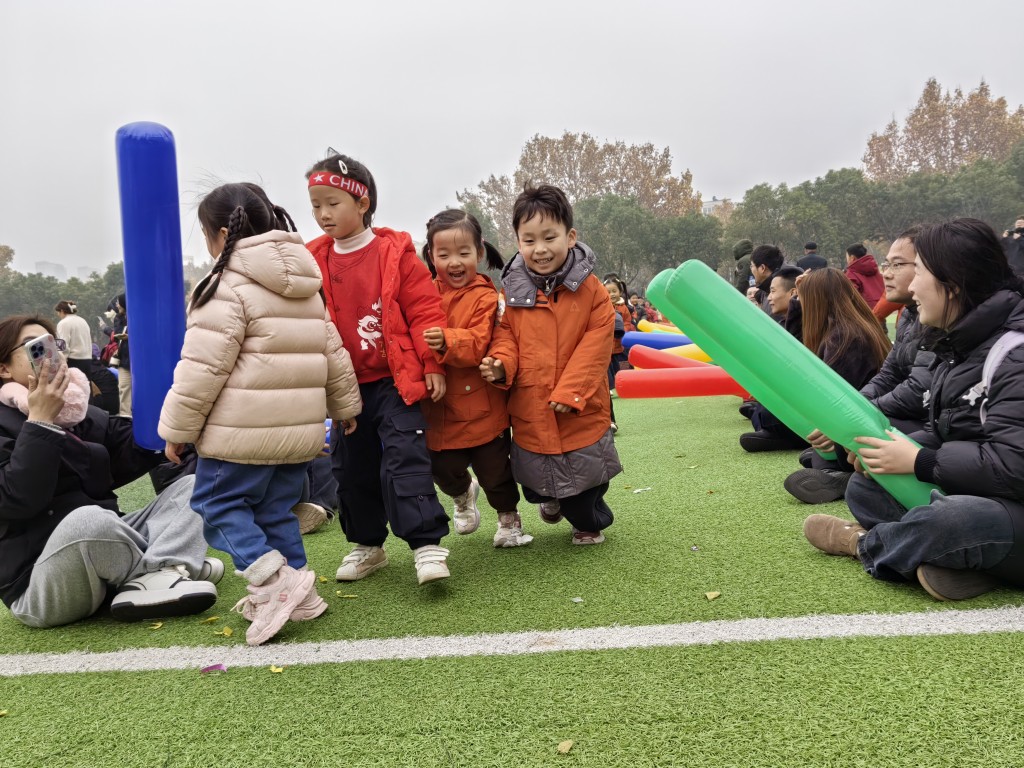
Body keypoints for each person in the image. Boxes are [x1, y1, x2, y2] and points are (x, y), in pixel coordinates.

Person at [159, 182, 362, 646]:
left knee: (215, 505)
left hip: (240, 435)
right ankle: (302, 592)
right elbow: (332, 350)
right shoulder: (305, 284)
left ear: (221, 234)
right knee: (275, 511)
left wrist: (178, 429)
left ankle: (273, 583)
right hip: (299, 435)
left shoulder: (223, 287)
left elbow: (201, 369)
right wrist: (345, 406)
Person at [803, 218, 1024, 601]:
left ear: (953, 284)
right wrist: (884, 449)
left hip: (1007, 502)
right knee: (866, 486)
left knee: (953, 520)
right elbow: (948, 429)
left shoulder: (1013, 353)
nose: (911, 286)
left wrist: (920, 460)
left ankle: (863, 543)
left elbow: (1015, 466)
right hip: (987, 493)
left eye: (918, 272)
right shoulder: (958, 343)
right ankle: (966, 561)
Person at [0, 314, 221, 628]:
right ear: (4, 369)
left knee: (194, 486)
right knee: (88, 519)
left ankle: (164, 569)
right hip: (38, 582)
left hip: (104, 547)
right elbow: (17, 498)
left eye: (54, 344)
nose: (50, 355)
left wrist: (171, 427)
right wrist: (40, 422)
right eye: (35, 347)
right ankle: (169, 567)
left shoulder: (77, 415)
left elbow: (133, 449)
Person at [304, 152, 451, 585]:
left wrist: (432, 363)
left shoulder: (395, 253)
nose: (323, 214)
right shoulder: (311, 260)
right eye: (315, 205)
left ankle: (426, 545)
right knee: (351, 469)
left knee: (405, 459)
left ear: (362, 202)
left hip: (394, 381)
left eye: (332, 203)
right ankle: (368, 545)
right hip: (344, 388)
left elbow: (424, 310)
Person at [480, 183, 622, 546]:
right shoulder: (510, 293)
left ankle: (588, 521)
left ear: (570, 237)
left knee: (587, 485)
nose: (540, 249)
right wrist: (501, 364)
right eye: (529, 240)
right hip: (533, 403)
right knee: (536, 482)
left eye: (549, 237)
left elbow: (596, 345)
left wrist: (573, 391)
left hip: (579, 407)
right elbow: (504, 335)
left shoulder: (592, 291)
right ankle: (551, 497)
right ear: (518, 242)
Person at [787, 228, 933, 504]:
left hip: (919, 422)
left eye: (896, 265)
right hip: (901, 414)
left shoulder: (845, 338)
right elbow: (889, 374)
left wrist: (850, 420)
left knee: (848, 440)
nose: (885, 273)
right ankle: (843, 468)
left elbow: (917, 389)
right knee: (824, 442)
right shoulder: (908, 317)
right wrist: (849, 415)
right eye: (886, 264)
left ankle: (846, 473)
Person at [420, 209, 531, 548]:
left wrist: (447, 340)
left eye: (463, 253)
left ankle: (508, 519)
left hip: (483, 406)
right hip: (440, 407)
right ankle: (463, 494)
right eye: (444, 254)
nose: (454, 262)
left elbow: (480, 340)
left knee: (496, 471)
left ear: (479, 253)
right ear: (431, 256)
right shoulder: (422, 295)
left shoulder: (486, 296)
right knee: (442, 468)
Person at [604, 276, 634, 433]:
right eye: (608, 292)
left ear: (620, 291)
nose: (612, 294)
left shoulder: (624, 308)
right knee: (608, 370)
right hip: (608, 347)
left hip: (620, 346)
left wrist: (625, 331)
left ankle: (629, 386)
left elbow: (628, 322)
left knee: (623, 366)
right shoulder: (603, 305)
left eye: (614, 291)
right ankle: (609, 388)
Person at [53, 300, 92, 374]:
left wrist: (61, 361)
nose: (58, 315)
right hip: (87, 360)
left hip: (73, 361)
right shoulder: (83, 321)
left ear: (62, 311)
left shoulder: (64, 323)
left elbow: (63, 345)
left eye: (58, 312)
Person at [843, 243, 884, 309]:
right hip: (882, 305)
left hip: (865, 310)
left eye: (847, 257)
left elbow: (851, 295)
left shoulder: (851, 273)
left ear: (852, 258)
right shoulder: (874, 267)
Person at [750, 245, 785, 313]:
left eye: (752, 266)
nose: (751, 270)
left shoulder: (780, 291)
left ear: (762, 268)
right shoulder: (765, 290)